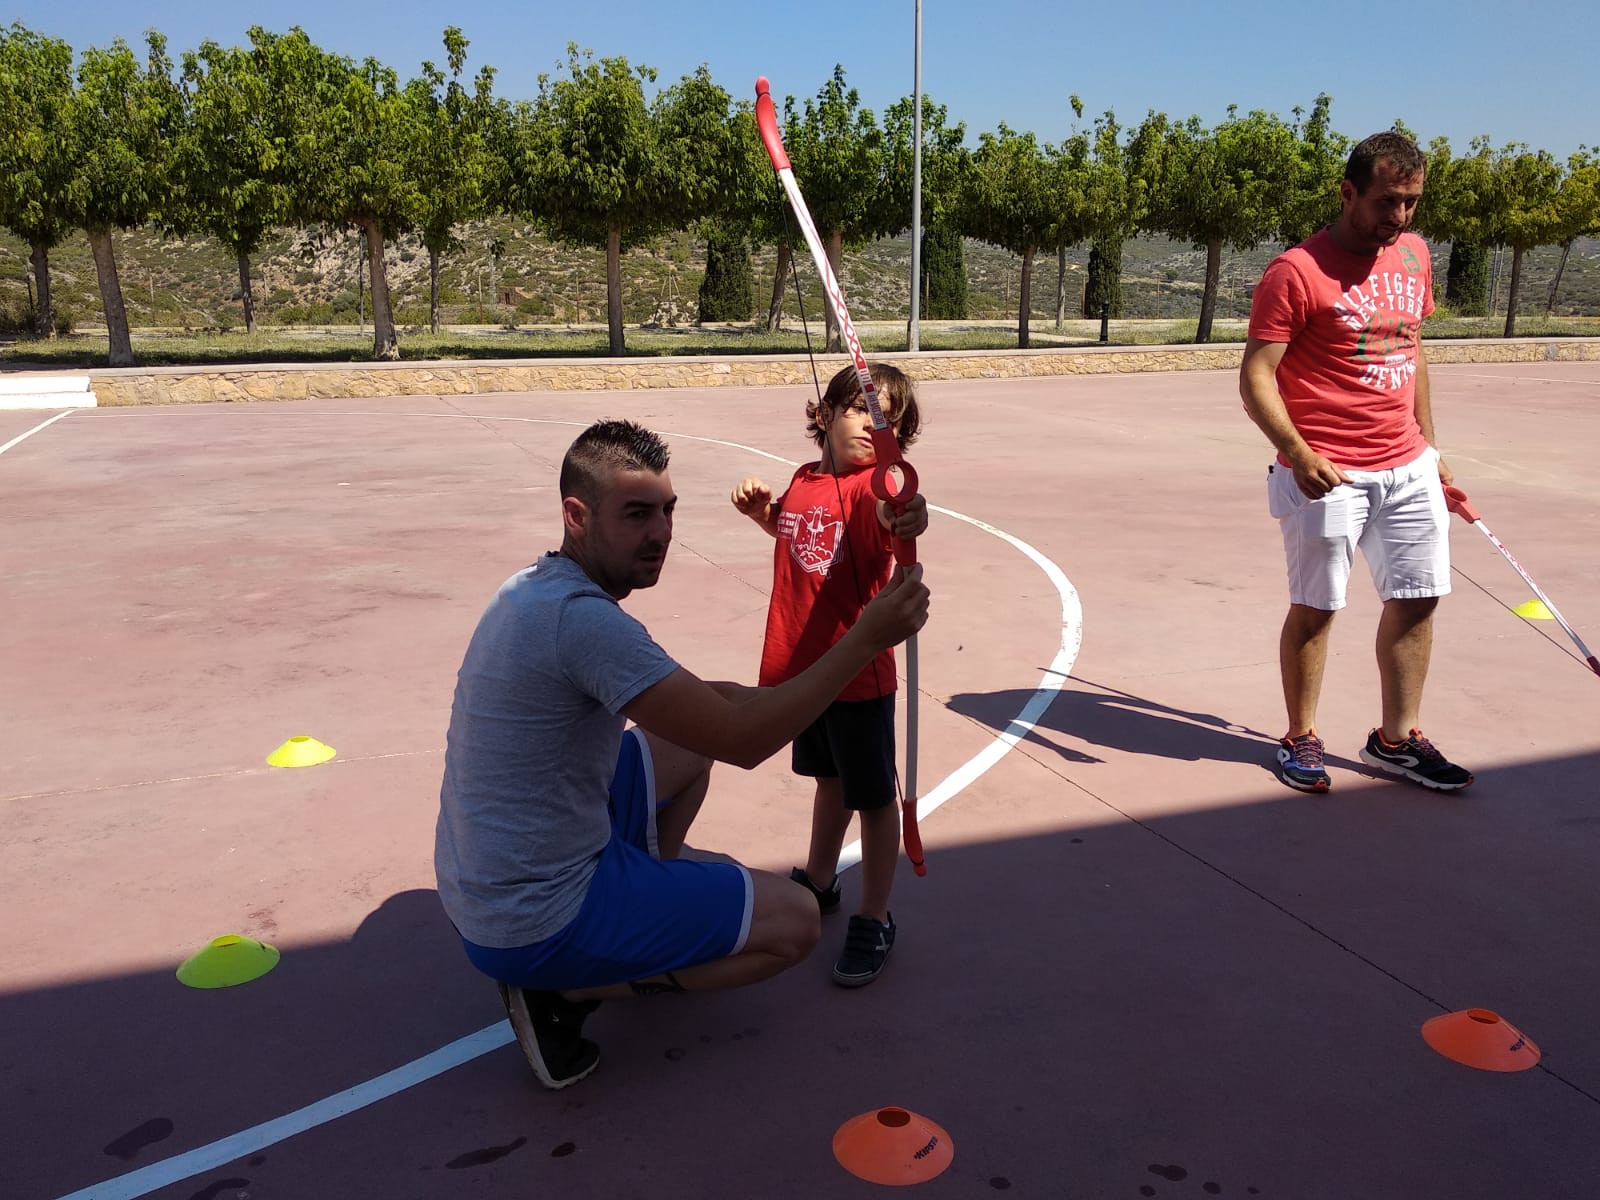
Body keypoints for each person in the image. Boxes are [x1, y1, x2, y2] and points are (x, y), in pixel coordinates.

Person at [435, 419, 929, 1090]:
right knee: (796, 922)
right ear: (576, 516)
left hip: (489, 881)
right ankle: (568, 993)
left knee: (686, 744)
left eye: (667, 511)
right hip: (533, 918)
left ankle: (642, 904)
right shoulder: (586, 623)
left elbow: (712, 707)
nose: (662, 532)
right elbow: (743, 742)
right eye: (636, 514)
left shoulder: (539, 586)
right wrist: (866, 640)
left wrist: (774, 695)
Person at [1239, 130, 1473, 795]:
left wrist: (1431, 448)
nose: (1399, 216)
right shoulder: (1296, 271)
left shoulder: (1415, 256)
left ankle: (1396, 740)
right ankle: (1300, 735)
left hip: (1407, 464)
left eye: (1411, 202)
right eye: (1386, 202)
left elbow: (1411, 349)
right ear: (1348, 193)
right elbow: (1256, 375)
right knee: (1316, 606)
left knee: (1418, 598)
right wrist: (1297, 452)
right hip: (1328, 471)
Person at [730, 362, 928, 987]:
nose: (874, 426)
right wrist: (764, 515)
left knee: (873, 800)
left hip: (856, 675)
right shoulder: (803, 480)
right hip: (804, 671)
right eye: (862, 409)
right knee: (830, 780)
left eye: (889, 419)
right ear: (824, 414)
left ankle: (875, 915)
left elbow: (893, 513)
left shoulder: (874, 488)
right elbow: (801, 530)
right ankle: (820, 880)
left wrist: (907, 515)